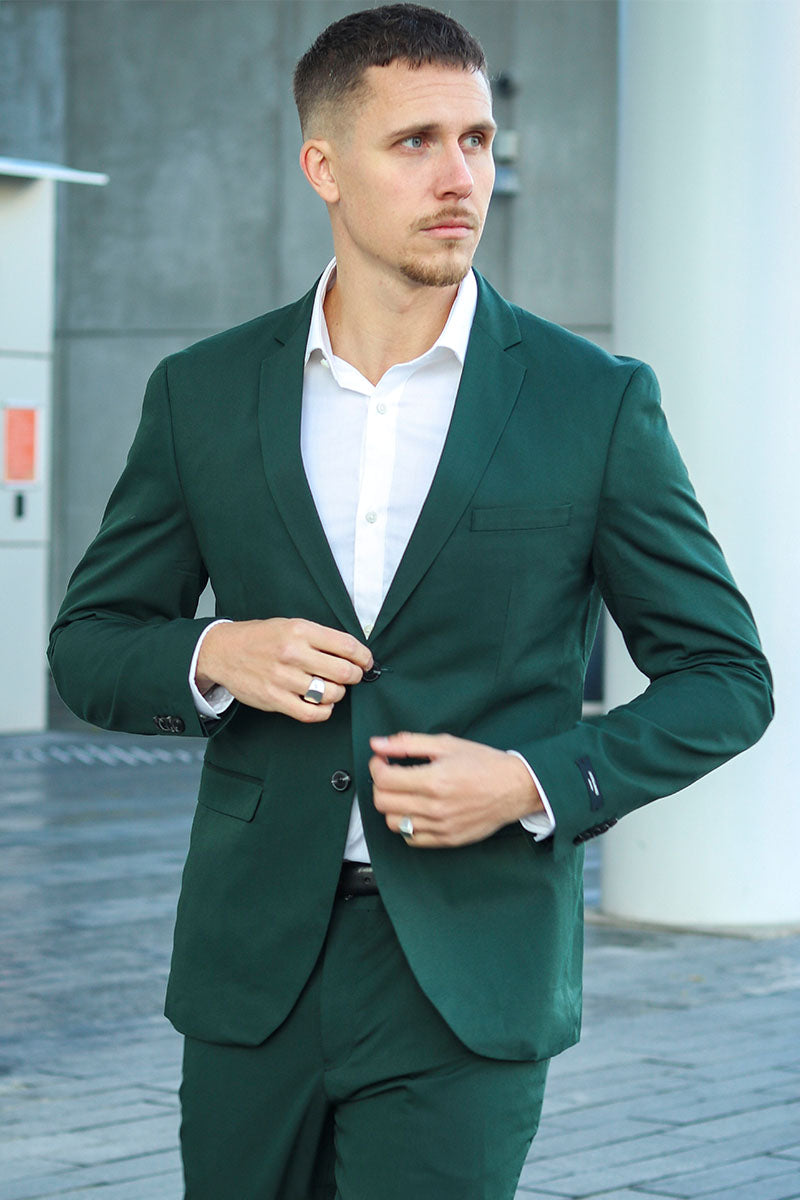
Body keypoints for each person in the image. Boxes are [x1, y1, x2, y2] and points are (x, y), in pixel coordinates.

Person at [48, 4, 773, 1197]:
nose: (459, 177)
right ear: (322, 166)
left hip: (468, 969)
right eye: (415, 142)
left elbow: (724, 679)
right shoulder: (203, 391)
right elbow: (88, 645)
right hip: (253, 967)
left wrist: (533, 781)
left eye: (477, 140)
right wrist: (215, 652)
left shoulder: (589, 402)